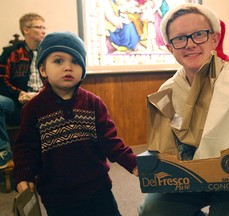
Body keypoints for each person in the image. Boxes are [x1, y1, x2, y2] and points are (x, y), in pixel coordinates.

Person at [138, 3, 229, 216]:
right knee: (153, 209)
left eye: (199, 34)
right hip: (189, 173)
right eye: (179, 38)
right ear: (170, 47)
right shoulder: (168, 91)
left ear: (214, 39)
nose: (190, 44)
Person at [12, 31, 138, 216]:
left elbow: (110, 141)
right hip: (57, 196)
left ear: (83, 70)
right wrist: (24, 174)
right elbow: (25, 148)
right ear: (43, 69)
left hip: (98, 188)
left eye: (76, 61)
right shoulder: (33, 109)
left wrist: (131, 162)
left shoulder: (93, 103)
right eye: (58, 61)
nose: (68, 67)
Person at [0, 13, 46, 168]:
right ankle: (4, 152)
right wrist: (19, 94)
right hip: (17, 102)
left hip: (44, 100)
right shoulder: (10, 53)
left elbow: (56, 78)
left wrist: (42, 95)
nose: (43, 31)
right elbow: (1, 80)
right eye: (39, 27)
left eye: (44, 27)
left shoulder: (48, 53)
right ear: (26, 30)